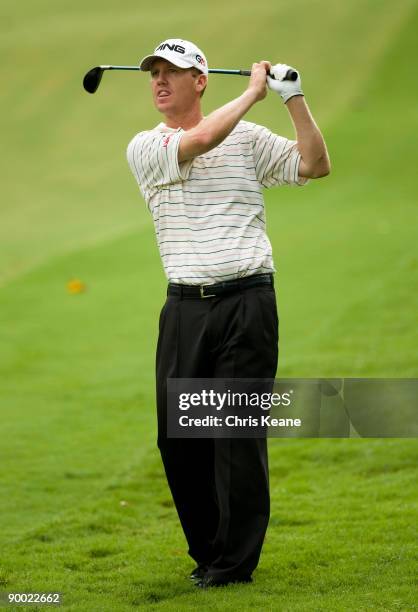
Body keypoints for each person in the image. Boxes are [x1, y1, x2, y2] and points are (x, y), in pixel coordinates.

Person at [127, 38, 330, 588]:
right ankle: (209, 551)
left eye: (173, 72)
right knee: (180, 438)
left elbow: (315, 163)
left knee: (235, 437)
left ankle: (233, 566)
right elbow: (202, 138)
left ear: (201, 80)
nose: (160, 82)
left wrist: (294, 99)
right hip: (184, 309)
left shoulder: (247, 138)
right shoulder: (146, 146)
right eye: (154, 74)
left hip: (247, 302)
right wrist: (253, 93)